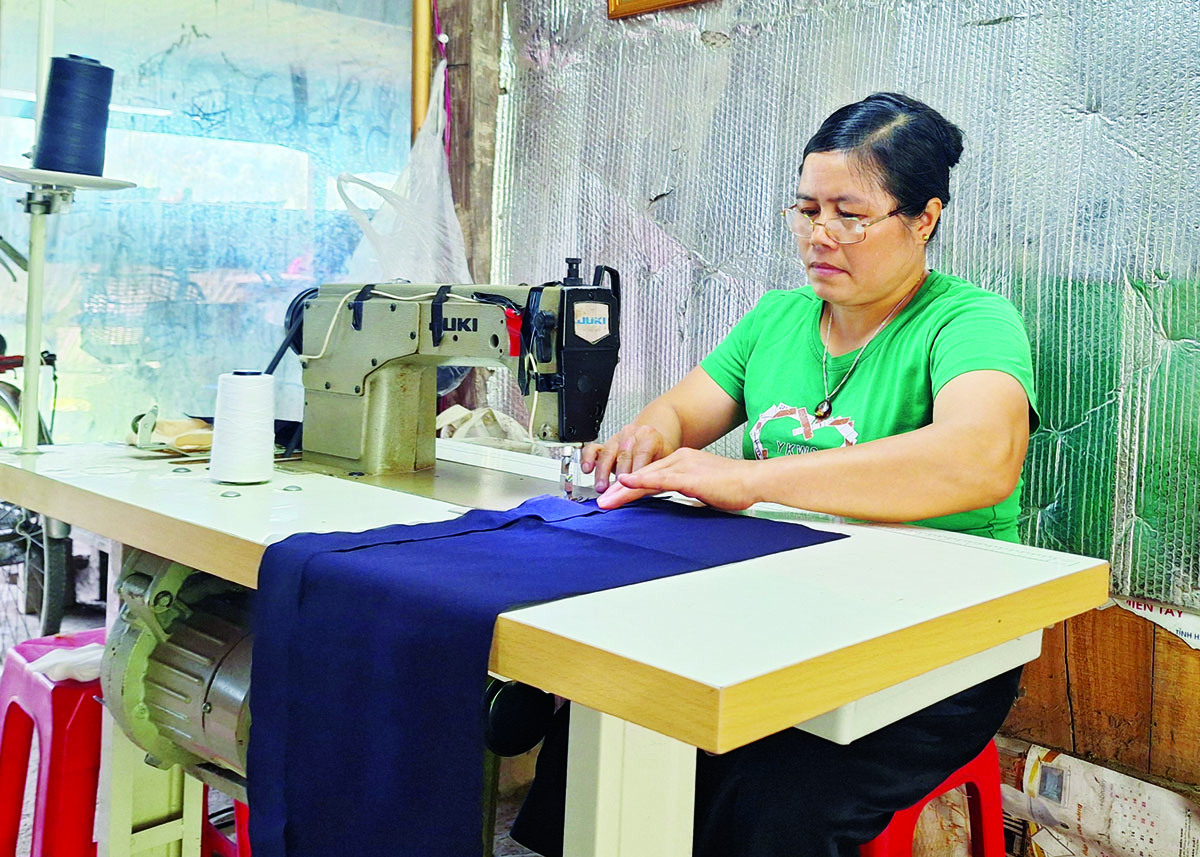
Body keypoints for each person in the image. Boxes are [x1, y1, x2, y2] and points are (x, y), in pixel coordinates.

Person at [510, 92, 1038, 857]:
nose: (820, 235)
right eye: (806, 209)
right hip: (785, 618)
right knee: (613, 719)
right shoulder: (777, 319)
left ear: (925, 218)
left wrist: (753, 481)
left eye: (850, 214)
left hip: (930, 649)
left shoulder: (969, 321)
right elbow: (681, 416)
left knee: (771, 799)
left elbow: (981, 457)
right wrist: (646, 435)